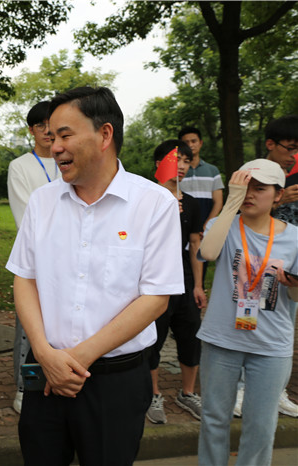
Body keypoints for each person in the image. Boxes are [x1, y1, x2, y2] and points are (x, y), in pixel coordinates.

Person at [6, 86, 184, 465]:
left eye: (65, 135)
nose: (54, 147)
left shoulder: (154, 204)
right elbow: (25, 278)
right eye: (51, 137)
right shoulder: (42, 201)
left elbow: (156, 298)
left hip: (116, 383)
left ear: (104, 135)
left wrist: (76, 360)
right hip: (45, 374)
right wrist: (44, 353)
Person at [197, 159, 298, 466]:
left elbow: (295, 296)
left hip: (271, 345)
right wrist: (232, 201)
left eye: (260, 188)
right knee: (214, 419)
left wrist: (293, 284)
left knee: (261, 426)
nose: (250, 194)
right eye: (244, 187)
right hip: (221, 339)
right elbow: (208, 253)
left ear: (278, 195)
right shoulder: (222, 225)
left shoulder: (294, 237)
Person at [233, 116, 298, 420]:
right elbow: (242, 212)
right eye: (290, 147)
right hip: (257, 261)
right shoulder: (253, 175)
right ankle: (242, 389)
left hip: (291, 263)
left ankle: (277, 390)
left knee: (285, 324)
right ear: (271, 144)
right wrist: (278, 203)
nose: (294, 156)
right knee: (249, 321)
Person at [146, 140, 207, 425]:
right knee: (154, 337)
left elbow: (195, 244)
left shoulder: (191, 202)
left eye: (186, 160)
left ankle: (188, 393)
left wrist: (198, 285)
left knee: (190, 334)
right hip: (154, 278)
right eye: (175, 159)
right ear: (159, 163)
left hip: (183, 277)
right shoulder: (147, 197)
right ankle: (153, 394)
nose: (181, 166)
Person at [6, 100, 55, 414]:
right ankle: (24, 387)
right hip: (36, 258)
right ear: (31, 130)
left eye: (53, 125)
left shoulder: (69, 159)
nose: (48, 131)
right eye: (41, 126)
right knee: (29, 326)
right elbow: (26, 218)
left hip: (71, 260)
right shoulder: (21, 166)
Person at [178, 126, 224, 230]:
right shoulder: (177, 172)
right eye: (186, 142)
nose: (190, 145)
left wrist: (207, 226)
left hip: (207, 226)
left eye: (194, 141)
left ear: (201, 143)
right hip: (181, 226)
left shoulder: (213, 171)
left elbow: (218, 202)